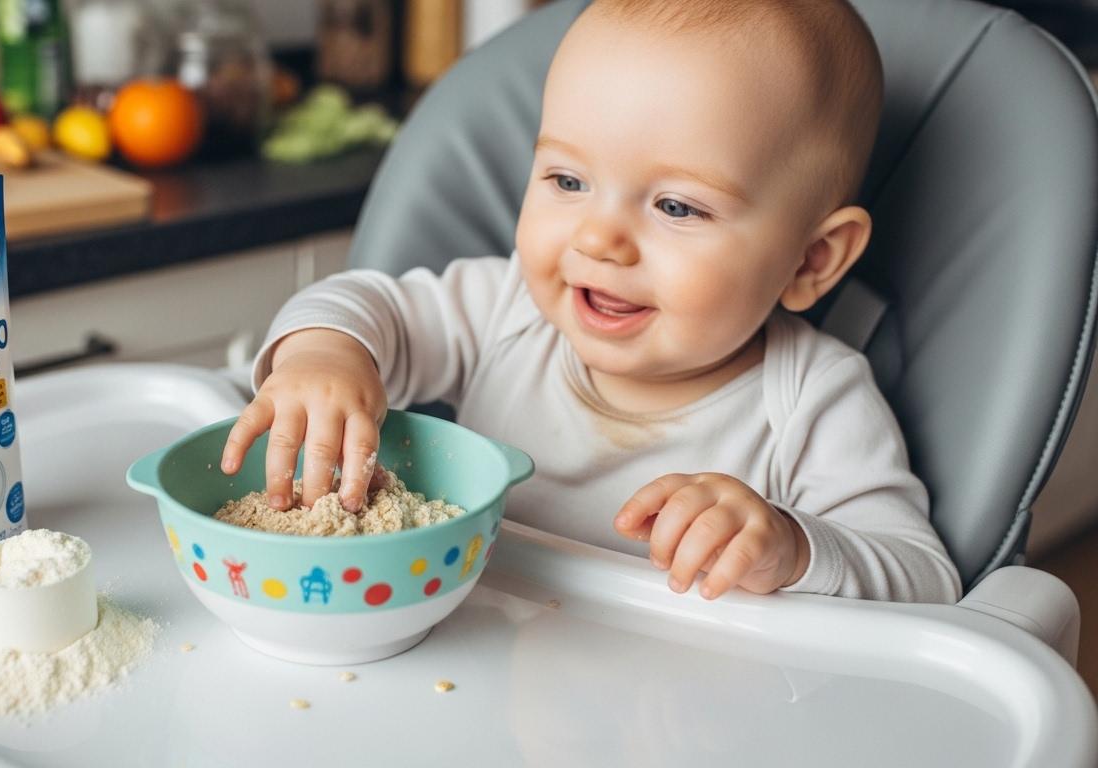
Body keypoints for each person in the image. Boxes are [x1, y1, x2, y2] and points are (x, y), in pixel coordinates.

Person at [222, 0, 961, 603]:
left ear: (811, 259)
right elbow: (367, 306)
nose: (601, 238)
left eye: (676, 206)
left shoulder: (813, 400)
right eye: (568, 181)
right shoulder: (506, 309)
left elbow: (924, 580)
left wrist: (793, 547)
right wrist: (325, 354)